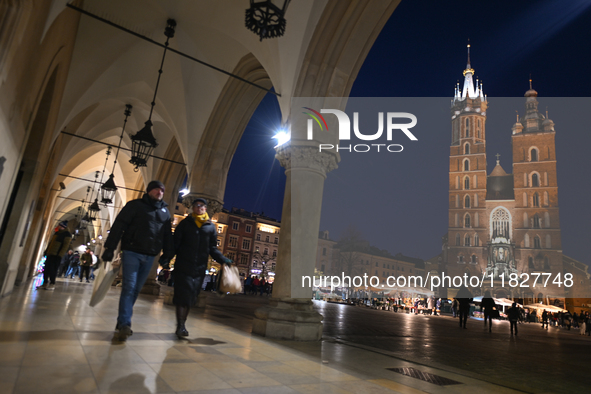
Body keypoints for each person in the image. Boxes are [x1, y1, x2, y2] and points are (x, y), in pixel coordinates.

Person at [101, 180, 174, 341]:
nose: (159, 192)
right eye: (156, 189)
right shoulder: (134, 206)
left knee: (135, 289)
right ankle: (126, 323)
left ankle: (122, 321)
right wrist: (109, 248)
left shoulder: (164, 213)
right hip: (131, 252)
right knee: (129, 287)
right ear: (148, 191)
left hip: (150, 255)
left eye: (162, 190)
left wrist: (167, 255)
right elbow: (119, 226)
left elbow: (167, 235)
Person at [170, 198, 232, 337]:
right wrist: (167, 257)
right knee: (182, 296)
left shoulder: (210, 227)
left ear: (205, 208)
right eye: (196, 205)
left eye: (202, 206)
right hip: (183, 265)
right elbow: (175, 243)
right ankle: (181, 326)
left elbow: (212, 248)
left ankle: (182, 323)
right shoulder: (185, 224)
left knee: (191, 296)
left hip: (199, 268)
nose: (199, 208)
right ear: (192, 208)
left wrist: (223, 259)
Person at [37, 221, 71, 290]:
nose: (58, 226)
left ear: (63, 227)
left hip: (56, 255)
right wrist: (46, 251)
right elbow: (51, 243)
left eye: (60, 226)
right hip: (50, 253)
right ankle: (45, 283)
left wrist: (60, 255)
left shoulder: (67, 235)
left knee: (53, 270)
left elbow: (65, 246)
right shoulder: (57, 233)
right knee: (46, 269)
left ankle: (52, 283)